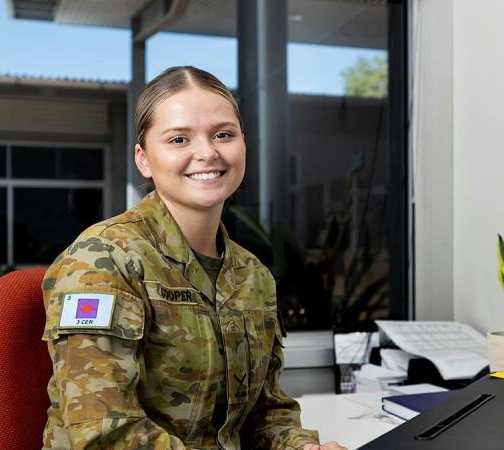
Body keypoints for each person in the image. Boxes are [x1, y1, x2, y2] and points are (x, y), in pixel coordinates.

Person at [41, 66, 347, 450]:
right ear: (144, 159)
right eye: (179, 139)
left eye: (223, 134)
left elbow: (265, 413)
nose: (207, 152)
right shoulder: (104, 258)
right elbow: (106, 434)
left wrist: (301, 447)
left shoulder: (252, 275)